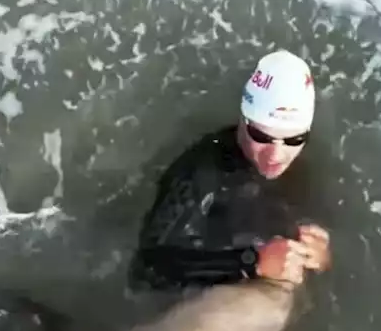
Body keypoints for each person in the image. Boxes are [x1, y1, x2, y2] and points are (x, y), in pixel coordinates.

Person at [128, 49, 332, 293]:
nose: (276, 156)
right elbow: (145, 270)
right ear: (243, 120)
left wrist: (320, 259)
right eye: (261, 136)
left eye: (294, 139)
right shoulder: (200, 174)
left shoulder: (300, 169)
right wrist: (250, 262)